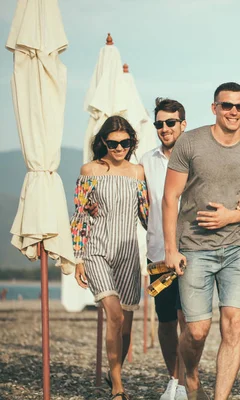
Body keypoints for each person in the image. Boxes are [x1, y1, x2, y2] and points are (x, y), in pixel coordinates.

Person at [162, 82, 240, 400]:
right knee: (196, 331)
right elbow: (171, 196)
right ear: (214, 108)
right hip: (194, 247)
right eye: (227, 105)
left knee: (234, 324)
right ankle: (192, 375)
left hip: (238, 246)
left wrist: (232, 217)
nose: (234, 112)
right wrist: (170, 249)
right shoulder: (190, 142)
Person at [71, 115, 149, 400]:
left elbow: (146, 216)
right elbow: (80, 215)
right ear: (103, 141)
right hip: (96, 250)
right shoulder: (89, 170)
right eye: (113, 142)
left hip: (129, 251)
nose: (119, 148)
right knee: (113, 315)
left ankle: (115, 368)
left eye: (125, 142)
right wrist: (78, 257)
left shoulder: (139, 173)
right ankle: (117, 382)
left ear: (132, 142)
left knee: (125, 322)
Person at [139, 97, 188, 400]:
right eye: (160, 124)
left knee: (189, 321)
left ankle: (185, 381)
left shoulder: (196, 158)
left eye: (171, 122)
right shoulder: (146, 161)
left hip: (192, 252)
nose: (165, 128)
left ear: (184, 124)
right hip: (157, 252)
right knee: (166, 320)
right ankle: (174, 378)